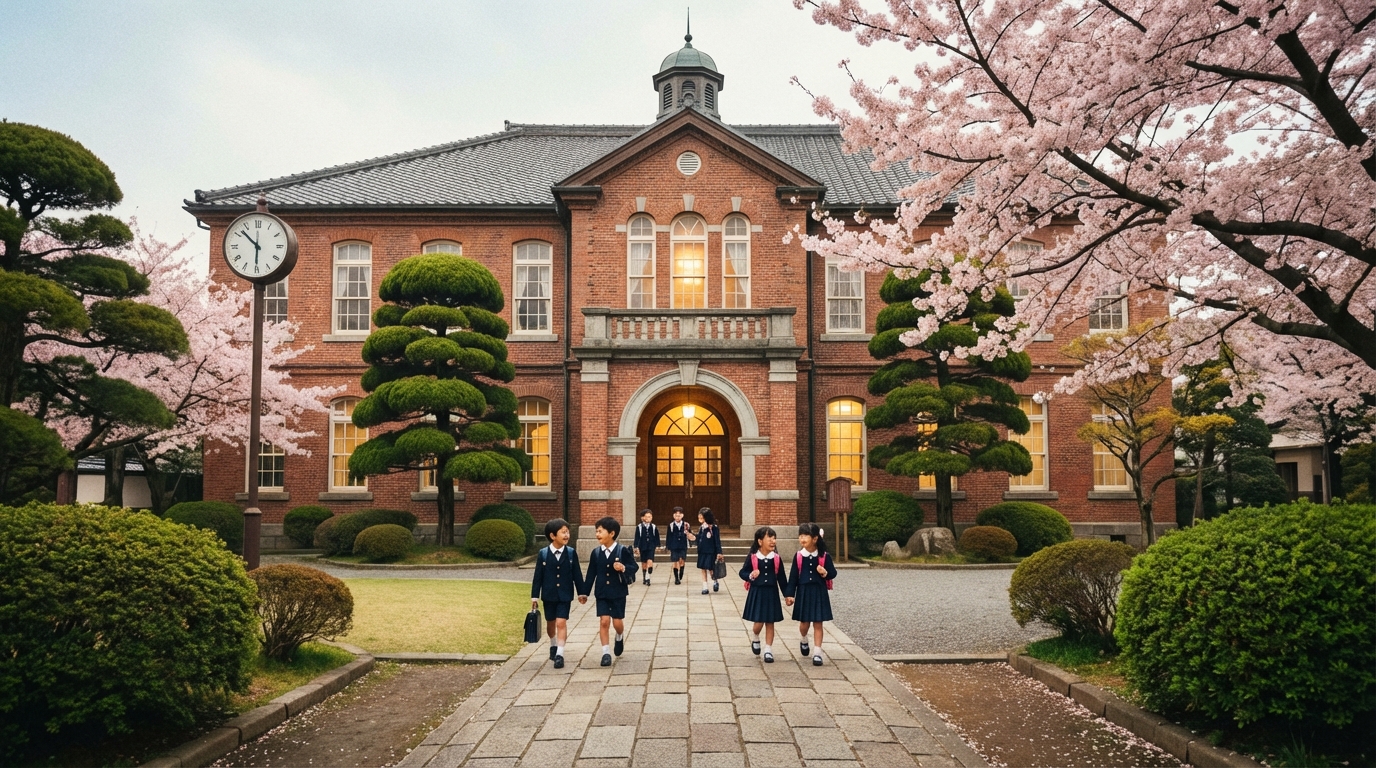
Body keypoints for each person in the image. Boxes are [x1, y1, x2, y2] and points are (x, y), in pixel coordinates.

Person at [529, 518, 587, 669]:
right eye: (563, 532)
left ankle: (560, 654)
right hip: (549, 595)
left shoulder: (571, 553)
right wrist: (534, 597)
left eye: (567, 532)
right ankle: (553, 643)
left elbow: (577, 574)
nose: (567, 535)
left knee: (561, 622)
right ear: (552, 535)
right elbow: (537, 577)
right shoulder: (543, 554)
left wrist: (582, 592)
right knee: (551, 623)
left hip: (565, 594)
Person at [582, 516, 638, 666]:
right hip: (602, 593)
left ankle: (619, 636)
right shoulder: (596, 553)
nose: (597, 534)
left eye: (600, 531)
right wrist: (584, 593)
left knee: (617, 622)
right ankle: (606, 653)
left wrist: (623, 567)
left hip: (618, 592)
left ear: (611, 533)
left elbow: (634, 567)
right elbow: (590, 574)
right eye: (596, 531)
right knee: (604, 621)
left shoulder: (622, 550)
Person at [783, 522, 837, 666]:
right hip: (804, 592)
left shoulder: (824, 556)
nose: (802, 539)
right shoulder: (799, 556)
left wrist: (824, 572)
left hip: (819, 592)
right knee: (804, 623)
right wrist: (789, 594)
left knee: (818, 623)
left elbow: (833, 573)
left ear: (815, 538)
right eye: (800, 536)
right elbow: (793, 577)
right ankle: (803, 638)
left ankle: (817, 652)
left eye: (805, 536)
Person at [740, 526, 784, 663]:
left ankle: (768, 650)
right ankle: (755, 636)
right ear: (760, 541)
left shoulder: (776, 558)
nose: (773, 541)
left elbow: (782, 578)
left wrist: (788, 595)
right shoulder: (753, 557)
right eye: (769, 538)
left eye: (774, 538)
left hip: (772, 592)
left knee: (770, 622)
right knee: (758, 622)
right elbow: (742, 572)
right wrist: (751, 575)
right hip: (757, 592)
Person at [692, 507, 723, 595]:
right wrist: (692, 537)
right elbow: (699, 539)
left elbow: (717, 541)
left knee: (711, 568)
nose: (700, 519)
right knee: (703, 568)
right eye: (699, 517)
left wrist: (719, 552)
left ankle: (715, 580)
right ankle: (705, 586)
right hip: (702, 551)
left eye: (702, 517)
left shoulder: (713, 528)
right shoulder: (701, 527)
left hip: (711, 552)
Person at [632, 508, 660, 586]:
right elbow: (637, 537)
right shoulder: (639, 527)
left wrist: (658, 545)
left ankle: (648, 576)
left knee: (650, 560)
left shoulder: (653, 526)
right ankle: (644, 576)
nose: (648, 518)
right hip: (642, 546)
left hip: (651, 546)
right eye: (647, 516)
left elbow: (657, 536)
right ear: (642, 518)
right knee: (644, 562)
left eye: (650, 517)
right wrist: (636, 547)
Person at [665, 506, 690, 584]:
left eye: (679, 515)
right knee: (675, 561)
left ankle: (681, 570)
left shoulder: (686, 525)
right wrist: (668, 546)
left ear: (682, 515)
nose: (677, 517)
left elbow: (689, 534)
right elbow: (668, 536)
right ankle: (676, 578)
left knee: (682, 560)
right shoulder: (671, 525)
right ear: (673, 516)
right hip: (674, 545)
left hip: (683, 545)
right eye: (676, 515)